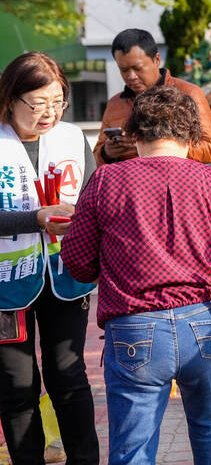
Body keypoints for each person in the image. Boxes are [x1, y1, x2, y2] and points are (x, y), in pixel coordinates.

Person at [60, 85, 211, 465]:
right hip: (202, 321)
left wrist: (104, 270)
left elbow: (76, 260)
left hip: (134, 325)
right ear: (191, 137)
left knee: (134, 446)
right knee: (208, 421)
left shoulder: (107, 181)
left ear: (134, 135)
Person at [0, 52, 99, 464]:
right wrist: (34, 218)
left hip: (65, 275)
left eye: (58, 101)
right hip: (7, 282)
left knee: (69, 377)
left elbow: (95, 199)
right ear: (10, 99)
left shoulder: (73, 138)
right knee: (17, 386)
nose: (49, 113)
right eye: (37, 103)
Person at [94, 28, 211, 165]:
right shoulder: (114, 104)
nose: (131, 76)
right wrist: (106, 152)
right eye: (124, 70)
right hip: (129, 184)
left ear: (157, 60)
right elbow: (95, 159)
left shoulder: (189, 93)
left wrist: (153, 146)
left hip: (175, 181)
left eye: (138, 68)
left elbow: (210, 149)